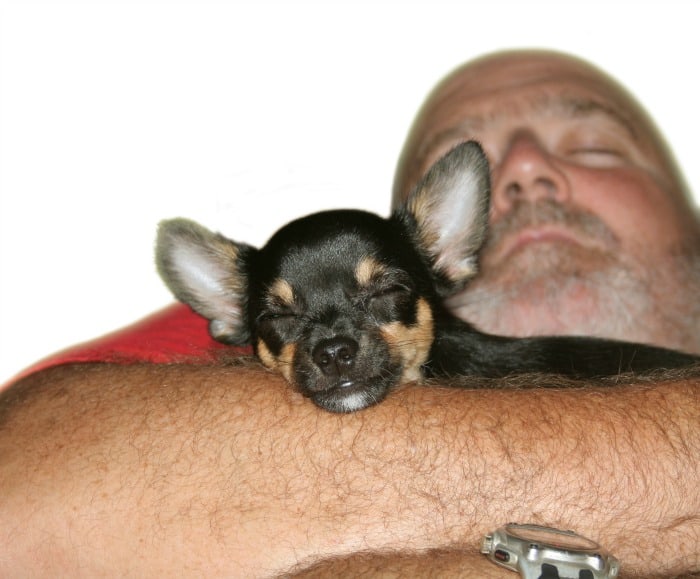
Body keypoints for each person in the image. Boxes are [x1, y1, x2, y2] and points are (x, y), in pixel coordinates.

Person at [0, 49, 698, 578]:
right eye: (286, 321)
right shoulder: (185, 376)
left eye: (594, 146)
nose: (333, 343)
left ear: (446, 249)